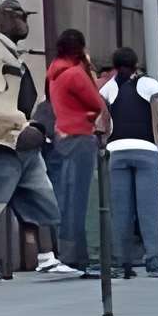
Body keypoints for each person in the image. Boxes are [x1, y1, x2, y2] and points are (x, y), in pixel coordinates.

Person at [0, 0, 83, 281]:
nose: (25, 23)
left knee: (41, 198)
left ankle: (47, 257)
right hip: (0, 140)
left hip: (20, 139)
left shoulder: (12, 55)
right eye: (20, 17)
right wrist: (21, 123)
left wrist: (33, 126)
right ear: (4, 19)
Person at [99, 43, 158, 277]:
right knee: (147, 208)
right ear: (136, 64)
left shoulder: (109, 87)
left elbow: (104, 105)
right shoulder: (146, 83)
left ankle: (122, 262)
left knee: (121, 210)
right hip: (145, 149)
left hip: (117, 149)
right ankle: (152, 261)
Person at [48, 28, 107, 271]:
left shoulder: (53, 72)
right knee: (85, 199)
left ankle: (67, 252)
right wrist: (89, 115)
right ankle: (85, 255)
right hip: (81, 137)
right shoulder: (75, 73)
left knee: (67, 197)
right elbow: (97, 102)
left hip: (62, 136)